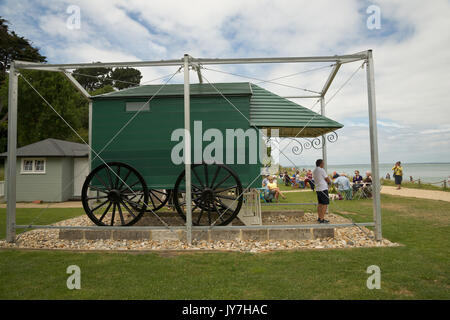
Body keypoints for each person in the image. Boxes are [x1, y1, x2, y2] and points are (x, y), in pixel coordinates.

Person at [312, 159, 331, 223]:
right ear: (320, 164)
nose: (324, 164)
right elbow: (327, 179)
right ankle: (322, 219)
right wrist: (330, 183)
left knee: (320, 204)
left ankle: (319, 217)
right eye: (323, 163)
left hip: (318, 189)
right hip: (323, 189)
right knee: (325, 204)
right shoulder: (321, 170)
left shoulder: (314, 170)